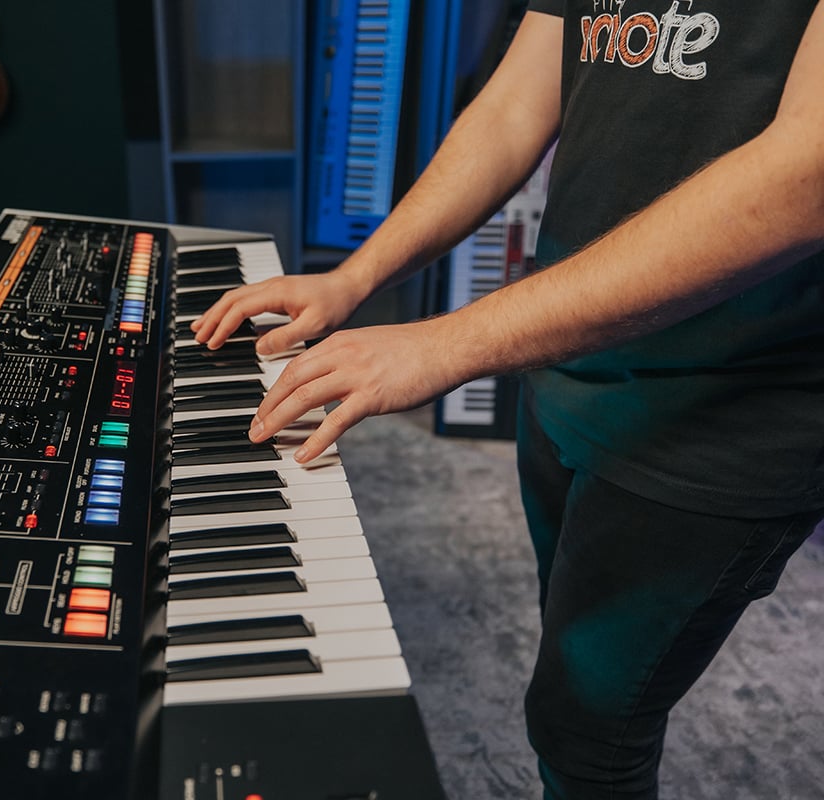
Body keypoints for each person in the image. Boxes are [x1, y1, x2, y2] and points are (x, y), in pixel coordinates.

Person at [190, 2, 824, 798]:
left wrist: (449, 342)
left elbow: (808, 173)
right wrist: (355, 277)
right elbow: (515, 104)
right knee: (564, 639)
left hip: (728, 419)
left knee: (589, 726)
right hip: (562, 361)